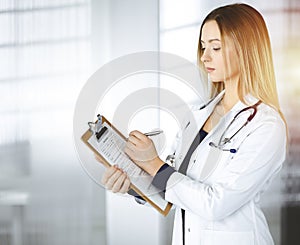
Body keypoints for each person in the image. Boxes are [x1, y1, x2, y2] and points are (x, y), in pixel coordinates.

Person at [100, 3, 287, 245]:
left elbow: (215, 204)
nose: (204, 56)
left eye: (216, 47)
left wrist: (153, 162)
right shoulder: (199, 115)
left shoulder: (266, 125)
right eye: (203, 47)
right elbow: (174, 189)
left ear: (246, 50)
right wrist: (132, 182)